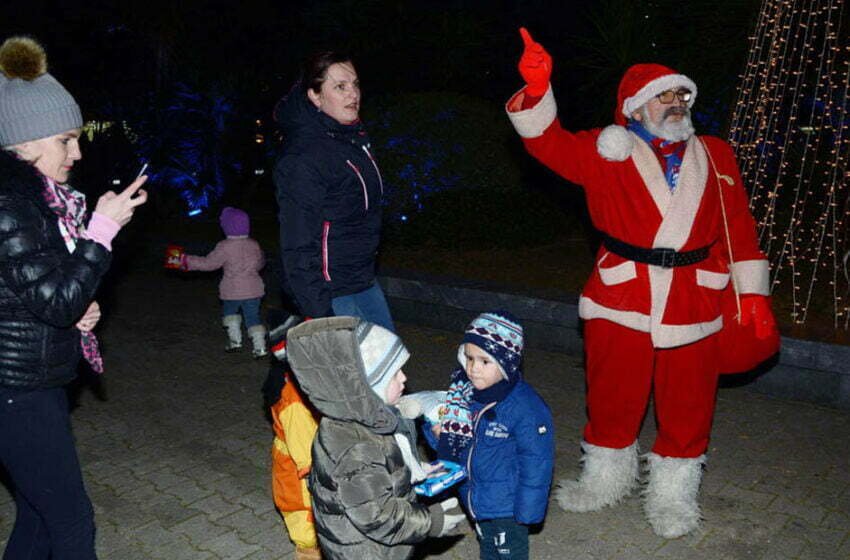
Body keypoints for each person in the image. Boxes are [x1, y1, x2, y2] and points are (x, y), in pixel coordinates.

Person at [505, 28, 778, 538]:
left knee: (689, 401)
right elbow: (545, 143)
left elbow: (737, 225)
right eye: (663, 96)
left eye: (681, 95)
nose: (675, 104)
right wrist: (539, 93)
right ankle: (604, 481)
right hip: (621, 293)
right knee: (612, 393)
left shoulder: (717, 154)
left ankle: (673, 494)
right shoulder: (607, 151)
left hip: (697, 293)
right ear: (634, 108)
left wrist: (755, 292)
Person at [0, 36, 147, 558]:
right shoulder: (9, 203)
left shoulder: (34, 201)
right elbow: (52, 300)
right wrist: (100, 233)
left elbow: (42, 296)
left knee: (38, 520)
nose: (77, 152)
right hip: (15, 389)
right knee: (71, 523)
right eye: (66, 139)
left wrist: (82, 307)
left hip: (31, 381)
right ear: (27, 140)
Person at [285, 316, 465, 560]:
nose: (404, 378)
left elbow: (383, 466)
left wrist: (416, 469)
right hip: (367, 551)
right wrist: (431, 521)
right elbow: (377, 514)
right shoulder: (356, 447)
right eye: (394, 374)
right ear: (369, 387)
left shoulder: (362, 417)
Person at [273, 51, 395, 332]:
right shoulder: (304, 157)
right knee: (352, 373)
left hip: (363, 280)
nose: (353, 94)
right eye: (340, 86)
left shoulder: (353, 137)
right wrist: (320, 314)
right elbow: (298, 245)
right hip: (331, 291)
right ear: (315, 96)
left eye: (355, 84)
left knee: (390, 367)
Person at [435, 311, 554, 560]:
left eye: (484, 361)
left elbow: (537, 461)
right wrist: (437, 430)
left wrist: (528, 510)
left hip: (507, 506)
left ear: (505, 363)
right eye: (468, 358)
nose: (473, 369)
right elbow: (457, 439)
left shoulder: (525, 407)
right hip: (477, 497)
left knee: (509, 553)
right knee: (488, 548)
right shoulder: (464, 396)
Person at [262, 313, 322, 560]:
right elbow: (305, 455)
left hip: (307, 459)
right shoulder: (293, 402)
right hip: (299, 477)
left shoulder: (304, 384)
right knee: (308, 531)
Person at [176, 206, 268, 357]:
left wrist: (186, 260)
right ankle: (260, 347)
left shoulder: (225, 246)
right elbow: (259, 264)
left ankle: (235, 341)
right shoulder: (254, 244)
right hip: (254, 290)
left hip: (232, 291)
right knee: (253, 317)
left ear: (227, 226)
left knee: (230, 313)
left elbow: (209, 264)